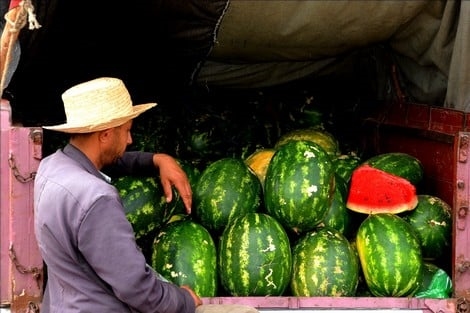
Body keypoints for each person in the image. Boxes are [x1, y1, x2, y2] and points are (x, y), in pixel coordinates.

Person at [33, 77, 259, 313]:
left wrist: (155, 160)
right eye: (127, 130)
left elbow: (105, 162)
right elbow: (137, 289)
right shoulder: (97, 199)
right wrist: (184, 300)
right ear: (106, 135)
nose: (130, 140)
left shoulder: (51, 168)